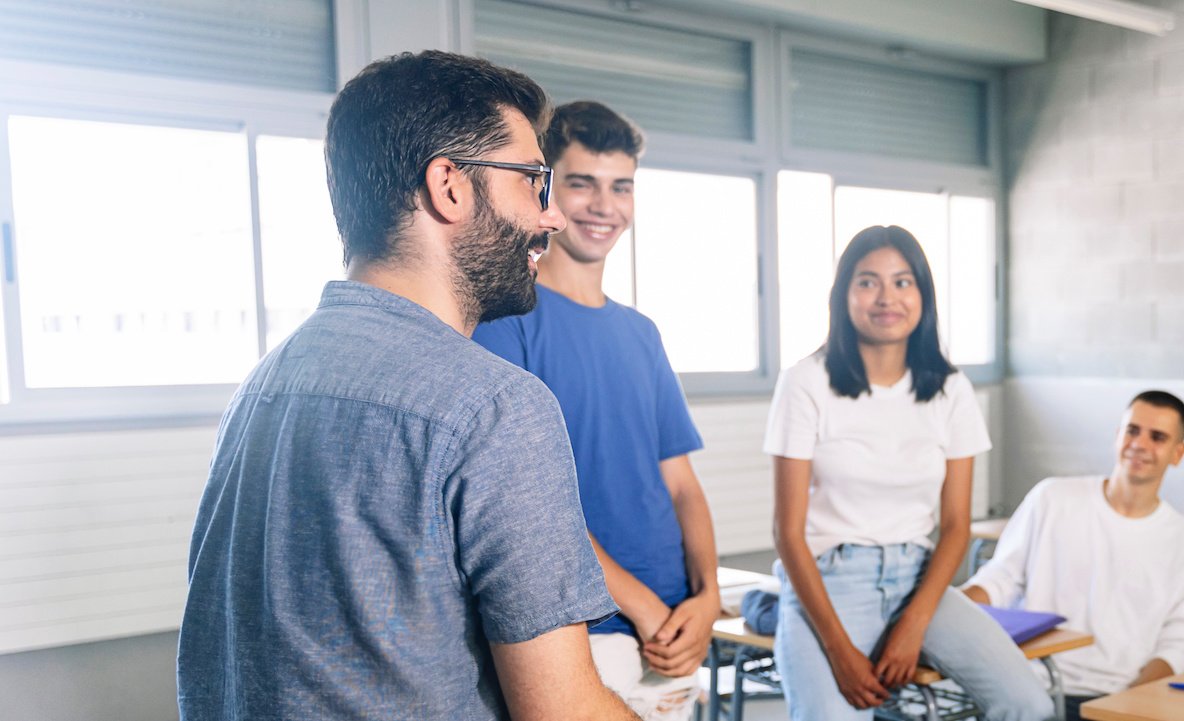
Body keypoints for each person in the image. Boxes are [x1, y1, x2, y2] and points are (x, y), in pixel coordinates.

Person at [177, 51, 635, 721]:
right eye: (534, 181)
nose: (551, 217)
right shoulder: (496, 406)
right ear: (450, 186)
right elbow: (565, 711)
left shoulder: (263, 388)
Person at [473, 100, 716, 720]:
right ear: (546, 191)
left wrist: (707, 597)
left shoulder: (642, 333)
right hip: (584, 627)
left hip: (673, 623)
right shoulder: (506, 325)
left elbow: (682, 484)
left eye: (621, 187)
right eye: (581, 184)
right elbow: (529, 505)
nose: (604, 206)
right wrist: (640, 606)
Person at [765, 226, 1055, 721]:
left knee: (1027, 703)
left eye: (903, 282)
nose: (886, 298)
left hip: (921, 582)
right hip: (830, 581)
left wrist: (914, 624)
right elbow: (787, 532)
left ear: (923, 294)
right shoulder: (805, 382)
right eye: (867, 282)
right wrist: (839, 650)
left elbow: (957, 525)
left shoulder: (950, 389)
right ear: (843, 295)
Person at [962, 390, 1184, 720]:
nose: (1139, 444)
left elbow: (1182, 643)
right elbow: (1001, 578)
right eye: (1132, 430)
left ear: (1178, 453)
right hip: (1030, 685)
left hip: (1118, 697)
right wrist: (946, 614)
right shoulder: (1053, 497)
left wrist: (1127, 705)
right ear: (1117, 436)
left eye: (1158, 437)